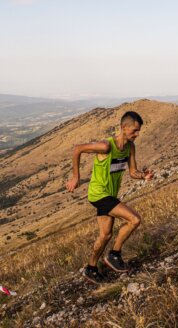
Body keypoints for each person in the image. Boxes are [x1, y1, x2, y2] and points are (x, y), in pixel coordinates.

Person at [66, 111, 153, 284]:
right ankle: (114, 255)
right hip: (99, 194)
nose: (137, 134)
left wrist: (143, 175)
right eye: (134, 130)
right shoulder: (106, 146)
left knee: (105, 235)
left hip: (110, 195)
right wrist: (76, 177)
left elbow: (132, 172)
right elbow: (78, 149)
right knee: (134, 220)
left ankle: (91, 268)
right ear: (123, 127)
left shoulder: (130, 148)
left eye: (138, 131)